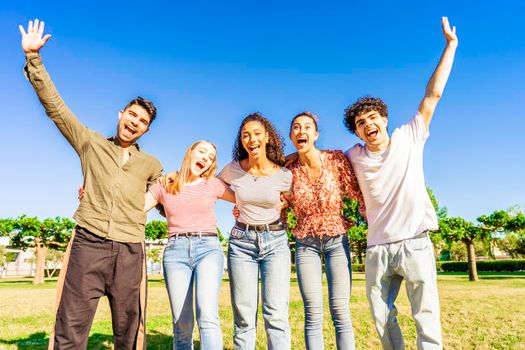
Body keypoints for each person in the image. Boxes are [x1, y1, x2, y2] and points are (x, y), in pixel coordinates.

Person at [20, 20, 163, 350]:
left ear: (146, 130)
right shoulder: (91, 143)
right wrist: (34, 59)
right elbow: (56, 109)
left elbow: (166, 202)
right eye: (132, 115)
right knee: (71, 323)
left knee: (130, 329)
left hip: (130, 249)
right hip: (89, 242)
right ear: (120, 113)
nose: (134, 123)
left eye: (142, 122)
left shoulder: (151, 165)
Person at [343, 17, 458, 350]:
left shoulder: (409, 135)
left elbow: (433, 95)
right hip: (378, 247)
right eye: (360, 123)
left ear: (385, 119)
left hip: (415, 242)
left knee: (426, 313)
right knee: (380, 315)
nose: (368, 125)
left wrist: (450, 46)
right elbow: (316, 160)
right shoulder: (353, 154)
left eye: (373, 118)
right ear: (357, 132)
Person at [145, 140, 235, 350]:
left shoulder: (213, 184)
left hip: (208, 248)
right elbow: (136, 207)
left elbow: (246, 198)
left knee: (207, 314)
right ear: (190, 153)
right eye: (202, 151)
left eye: (211, 157)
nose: (205, 157)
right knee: (181, 323)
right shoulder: (164, 183)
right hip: (175, 252)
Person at [287, 111, 366, 350]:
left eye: (307, 127)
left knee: (340, 310)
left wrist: (375, 221)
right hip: (305, 244)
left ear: (316, 134)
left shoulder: (335, 160)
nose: (302, 131)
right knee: (312, 311)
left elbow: (358, 193)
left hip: (336, 240)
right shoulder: (287, 171)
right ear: (292, 136)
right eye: (296, 128)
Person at [218, 112, 292, 350]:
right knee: (244, 315)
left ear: (267, 137)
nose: (251, 139)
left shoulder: (283, 174)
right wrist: (237, 201)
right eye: (245, 135)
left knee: (276, 313)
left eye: (256, 134)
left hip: (276, 242)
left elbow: (290, 200)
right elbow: (214, 187)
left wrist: (286, 203)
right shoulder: (234, 169)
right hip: (241, 242)